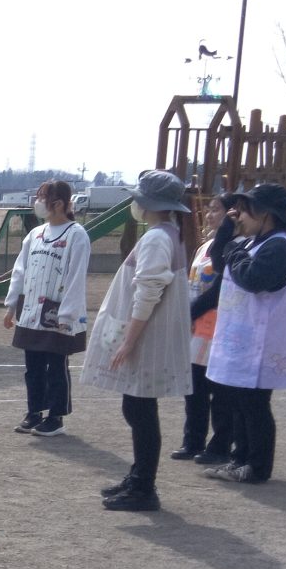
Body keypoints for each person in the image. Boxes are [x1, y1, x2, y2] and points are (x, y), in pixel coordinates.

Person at [84, 170, 194, 512]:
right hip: (149, 333)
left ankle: (144, 486)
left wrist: (129, 340)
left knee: (140, 409)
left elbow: (148, 290)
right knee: (138, 408)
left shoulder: (158, 238)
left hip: (148, 336)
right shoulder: (167, 234)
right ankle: (138, 477)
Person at [204, 183, 286, 485]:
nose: (239, 216)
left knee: (254, 406)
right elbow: (220, 262)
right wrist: (226, 233)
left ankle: (257, 466)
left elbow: (252, 279)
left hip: (261, 342)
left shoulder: (279, 246)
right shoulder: (253, 242)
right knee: (239, 404)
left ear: (264, 213)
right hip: (242, 341)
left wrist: (234, 249)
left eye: (245, 211)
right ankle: (240, 459)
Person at [2, 180, 90, 436]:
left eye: (42, 198)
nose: (37, 203)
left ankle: (56, 416)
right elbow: (20, 270)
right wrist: (11, 306)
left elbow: (76, 276)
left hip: (58, 313)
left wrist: (67, 314)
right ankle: (34, 412)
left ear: (59, 203)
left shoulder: (76, 235)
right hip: (31, 310)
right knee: (33, 366)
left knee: (56, 365)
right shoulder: (35, 234)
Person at [175, 194, 237, 465]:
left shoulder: (235, 247)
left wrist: (190, 311)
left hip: (219, 331)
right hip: (196, 331)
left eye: (216, 210)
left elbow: (219, 291)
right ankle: (193, 441)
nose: (210, 215)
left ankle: (220, 446)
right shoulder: (204, 247)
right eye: (209, 210)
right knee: (194, 389)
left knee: (221, 393)